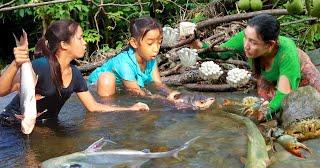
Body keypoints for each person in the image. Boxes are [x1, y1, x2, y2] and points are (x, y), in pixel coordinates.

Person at [0, 20, 149, 127]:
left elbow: (94, 107)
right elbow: (2, 91)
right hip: (11, 125)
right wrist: (15, 64)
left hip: (44, 125)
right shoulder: (41, 66)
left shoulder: (75, 74)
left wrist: (130, 109)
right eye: (80, 38)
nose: (84, 42)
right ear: (64, 44)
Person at [191, 13, 320, 120]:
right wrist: (196, 43)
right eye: (245, 38)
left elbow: (284, 94)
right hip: (267, 75)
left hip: (299, 71)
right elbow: (221, 53)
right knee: (263, 103)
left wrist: (265, 112)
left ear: (270, 45)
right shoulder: (248, 38)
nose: (246, 45)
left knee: (305, 104)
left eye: (252, 42)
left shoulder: (287, 54)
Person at [88, 17, 180, 101]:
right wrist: (164, 100)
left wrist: (172, 94)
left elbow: (158, 84)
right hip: (96, 86)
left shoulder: (150, 58)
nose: (156, 49)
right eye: (150, 44)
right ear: (134, 43)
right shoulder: (124, 63)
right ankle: (107, 108)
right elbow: (135, 90)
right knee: (107, 79)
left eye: (159, 42)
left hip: (121, 86)